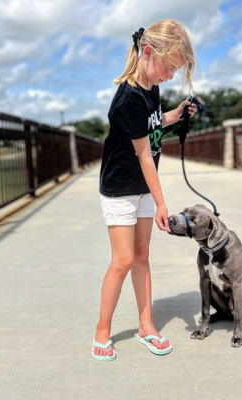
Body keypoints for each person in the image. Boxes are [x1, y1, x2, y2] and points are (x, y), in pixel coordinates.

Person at [92, 19, 198, 362]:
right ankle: (102, 331)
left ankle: (146, 326)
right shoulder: (128, 98)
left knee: (142, 257)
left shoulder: (151, 86)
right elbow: (143, 155)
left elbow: (153, 124)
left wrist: (176, 114)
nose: (169, 76)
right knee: (122, 260)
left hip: (141, 188)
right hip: (121, 187)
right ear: (149, 53)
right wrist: (162, 203)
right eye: (169, 68)